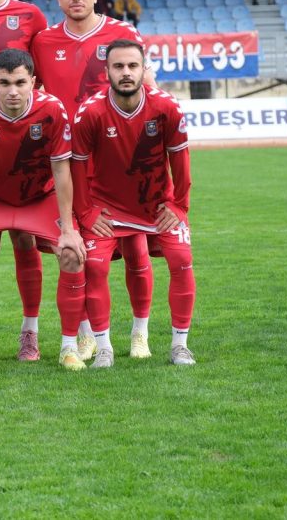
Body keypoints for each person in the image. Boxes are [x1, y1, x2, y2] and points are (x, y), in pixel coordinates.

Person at [31, 0, 152, 361]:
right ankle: (84, 334)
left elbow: (148, 90)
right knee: (75, 250)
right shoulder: (43, 42)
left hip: (120, 163)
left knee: (135, 250)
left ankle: (139, 334)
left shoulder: (122, 34)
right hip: (68, 164)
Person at [0, 49, 86, 372]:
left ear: (33, 82)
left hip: (38, 197)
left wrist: (68, 228)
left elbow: (61, 170)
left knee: (71, 253)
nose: (13, 91)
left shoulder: (52, 109)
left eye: (20, 83)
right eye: (5, 83)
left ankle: (61, 345)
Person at [71, 39, 197, 367]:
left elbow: (181, 161)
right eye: (118, 66)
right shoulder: (90, 112)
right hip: (107, 208)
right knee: (95, 266)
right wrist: (86, 212)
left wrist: (179, 206)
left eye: (132, 66)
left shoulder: (166, 108)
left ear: (143, 69)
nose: (126, 72)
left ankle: (179, 346)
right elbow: (77, 167)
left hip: (157, 207)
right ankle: (104, 349)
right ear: (107, 71)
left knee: (182, 259)